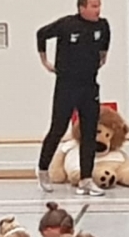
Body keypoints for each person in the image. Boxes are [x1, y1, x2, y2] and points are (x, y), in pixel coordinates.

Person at [36, 0, 111, 197]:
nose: (98, 10)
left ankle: (86, 180)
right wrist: (45, 61)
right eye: (93, 6)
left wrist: (100, 59)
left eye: (99, 6)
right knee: (58, 128)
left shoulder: (103, 26)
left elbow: (104, 49)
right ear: (82, 8)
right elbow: (41, 34)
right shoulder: (67, 24)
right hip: (66, 86)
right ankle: (43, 169)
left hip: (89, 86)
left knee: (89, 132)